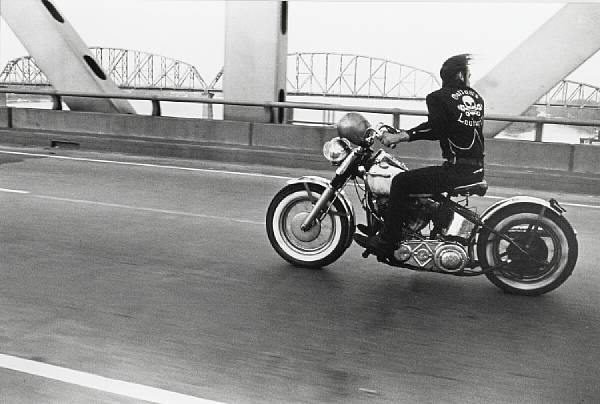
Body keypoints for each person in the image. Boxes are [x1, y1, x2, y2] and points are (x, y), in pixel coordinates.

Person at [354, 53, 485, 255]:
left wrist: (399, 137)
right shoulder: (476, 98)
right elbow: (452, 128)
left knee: (401, 182)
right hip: (474, 167)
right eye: (469, 75)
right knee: (420, 186)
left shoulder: (438, 97)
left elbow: (435, 129)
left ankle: (388, 241)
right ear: (460, 75)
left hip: (457, 169)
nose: (470, 79)